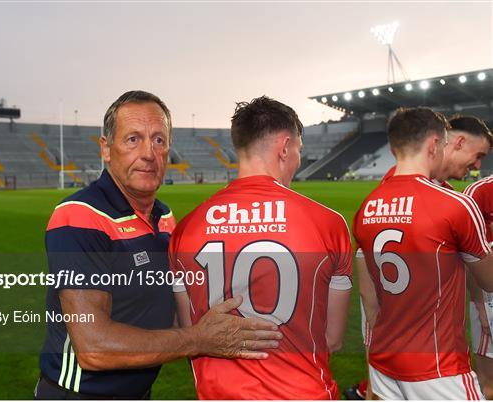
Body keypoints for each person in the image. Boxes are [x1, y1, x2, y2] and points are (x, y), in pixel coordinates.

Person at [36, 91, 282, 399]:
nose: (148, 153)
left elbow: (170, 305)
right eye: (133, 139)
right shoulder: (79, 216)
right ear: (106, 149)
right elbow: (94, 347)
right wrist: (199, 339)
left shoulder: (165, 217)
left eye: (158, 140)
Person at [169, 96, 353, 399]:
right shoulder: (328, 223)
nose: (297, 160)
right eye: (298, 151)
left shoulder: (185, 229)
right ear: (284, 147)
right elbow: (331, 339)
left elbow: (190, 334)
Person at [347, 114, 493, 400]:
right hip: (439, 367)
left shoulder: (368, 207)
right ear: (435, 144)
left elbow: (369, 299)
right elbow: (489, 280)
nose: (477, 166)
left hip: (385, 361)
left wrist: (372, 374)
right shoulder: (455, 204)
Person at [464, 175, 493, 399]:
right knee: (488, 384)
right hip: (489, 300)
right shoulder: (479, 193)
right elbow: (469, 256)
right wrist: (480, 305)